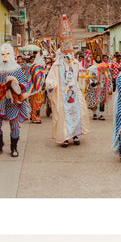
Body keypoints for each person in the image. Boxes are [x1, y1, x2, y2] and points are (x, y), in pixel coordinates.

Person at [46, 15, 90, 147]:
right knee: (62, 115)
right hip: (62, 95)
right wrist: (51, 86)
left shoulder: (75, 63)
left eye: (70, 53)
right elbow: (51, 79)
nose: (68, 56)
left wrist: (88, 78)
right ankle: (65, 137)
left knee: (78, 113)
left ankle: (75, 135)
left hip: (74, 94)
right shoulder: (57, 65)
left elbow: (82, 73)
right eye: (66, 54)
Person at [0, 43, 30, 157]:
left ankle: (13, 147)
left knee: (14, 125)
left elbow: (25, 82)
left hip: (12, 102)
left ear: (11, 55)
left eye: (7, 54)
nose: (5, 57)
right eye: (2, 54)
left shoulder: (16, 69)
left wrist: (17, 87)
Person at [25, 53, 46, 124]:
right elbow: (38, 79)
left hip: (33, 89)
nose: (44, 60)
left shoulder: (34, 66)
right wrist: (40, 86)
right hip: (36, 89)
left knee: (34, 103)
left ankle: (32, 116)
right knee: (36, 103)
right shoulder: (37, 67)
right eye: (43, 58)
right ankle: (35, 118)